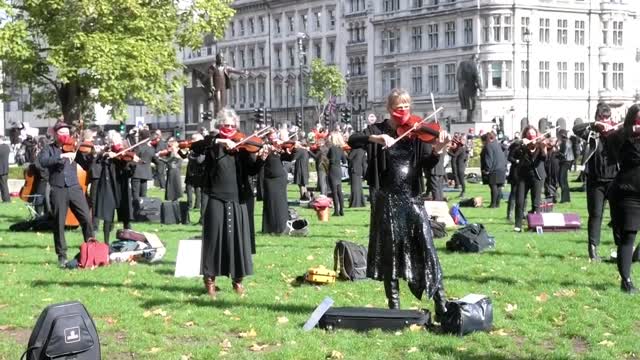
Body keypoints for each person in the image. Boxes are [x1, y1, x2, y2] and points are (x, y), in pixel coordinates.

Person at [347, 88, 449, 320]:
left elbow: (428, 164)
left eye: (406, 106)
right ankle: (395, 309)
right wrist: (376, 138)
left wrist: (439, 149)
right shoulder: (378, 129)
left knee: (427, 248)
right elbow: (352, 140)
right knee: (390, 253)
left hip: (412, 197)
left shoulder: (416, 131)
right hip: (387, 199)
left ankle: (441, 302)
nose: (403, 111)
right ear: (389, 108)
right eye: (398, 106)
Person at [190, 108, 266, 299]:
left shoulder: (243, 145)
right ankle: (210, 281)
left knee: (238, 240)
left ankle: (237, 280)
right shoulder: (212, 143)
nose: (230, 129)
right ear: (220, 126)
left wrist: (261, 160)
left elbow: (251, 170)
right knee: (213, 239)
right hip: (215, 196)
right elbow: (196, 146)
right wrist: (220, 141)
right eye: (226, 125)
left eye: (232, 126)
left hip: (238, 197)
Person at [38, 122, 94, 267]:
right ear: (56, 134)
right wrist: (61, 156)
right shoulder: (48, 149)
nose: (65, 136)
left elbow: (87, 165)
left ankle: (91, 249)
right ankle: (62, 255)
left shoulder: (74, 147)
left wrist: (90, 154)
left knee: (86, 219)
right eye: (62, 133)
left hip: (75, 187)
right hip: (58, 189)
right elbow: (42, 162)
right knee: (58, 223)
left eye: (67, 133)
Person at [573, 103, 619, 261]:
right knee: (596, 215)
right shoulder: (592, 133)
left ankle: (621, 248)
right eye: (602, 117)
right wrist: (594, 125)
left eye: (607, 117)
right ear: (597, 117)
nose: (605, 120)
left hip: (614, 180)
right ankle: (593, 250)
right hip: (595, 181)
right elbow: (576, 129)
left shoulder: (616, 133)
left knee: (617, 215)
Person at [604, 104, 640, 293]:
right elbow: (611, 141)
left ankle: (635, 256)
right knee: (628, 236)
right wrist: (629, 130)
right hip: (628, 193)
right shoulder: (623, 137)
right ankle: (626, 281)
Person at [94, 131, 139, 244]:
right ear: (109, 142)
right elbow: (96, 162)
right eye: (113, 141)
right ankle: (106, 243)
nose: (117, 144)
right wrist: (105, 155)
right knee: (107, 215)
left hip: (121, 184)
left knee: (125, 213)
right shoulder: (105, 152)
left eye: (118, 141)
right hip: (108, 185)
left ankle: (129, 240)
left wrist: (133, 163)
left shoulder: (123, 153)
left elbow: (129, 171)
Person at [512, 126, 547, 232]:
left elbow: (544, 158)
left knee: (536, 202)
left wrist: (543, 148)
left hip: (537, 176)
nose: (531, 136)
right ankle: (518, 225)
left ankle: (535, 225)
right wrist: (522, 145)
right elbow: (515, 154)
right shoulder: (522, 145)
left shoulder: (540, 144)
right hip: (523, 176)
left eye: (533, 134)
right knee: (520, 200)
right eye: (529, 134)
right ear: (525, 135)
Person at [261, 131, 290, 234]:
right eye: (271, 136)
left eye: (275, 135)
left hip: (280, 178)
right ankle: (270, 228)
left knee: (281, 202)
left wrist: (286, 150)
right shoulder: (264, 147)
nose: (274, 138)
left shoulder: (280, 147)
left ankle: (282, 226)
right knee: (270, 202)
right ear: (268, 137)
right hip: (269, 178)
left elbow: (289, 157)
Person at [480, 132, 507, 208]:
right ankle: (497, 204)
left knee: (493, 187)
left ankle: (493, 204)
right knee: (498, 187)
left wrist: (487, 169)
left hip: (494, 169)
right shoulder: (498, 145)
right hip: (501, 168)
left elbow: (489, 158)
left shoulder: (489, 146)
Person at [131, 129, 155, 203]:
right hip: (145, 174)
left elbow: (133, 158)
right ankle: (143, 210)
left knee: (135, 195)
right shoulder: (151, 149)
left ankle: (135, 211)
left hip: (136, 173)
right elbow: (155, 160)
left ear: (141, 136)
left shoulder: (138, 147)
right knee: (143, 195)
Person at [327, 132, 347, 216]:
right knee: (339, 191)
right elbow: (344, 161)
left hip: (332, 169)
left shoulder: (332, 148)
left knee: (334, 192)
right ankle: (342, 210)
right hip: (339, 170)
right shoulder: (341, 149)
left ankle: (336, 211)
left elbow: (328, 158)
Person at [183, 133, 206, 210]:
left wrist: (190, 156)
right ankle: (189, 205)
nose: (192, 141)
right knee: (188, 187)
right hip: (190, 171)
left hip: (198, 172)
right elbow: (183, 156)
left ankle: (197, 205)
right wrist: (182, 150)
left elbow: (199, 160)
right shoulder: (192, 148)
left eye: (194, 139)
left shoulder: (202, 149)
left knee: (197, 189)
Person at [448, 133, 467, 198]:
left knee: (462, 180)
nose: (458, 140)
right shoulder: (462, 147)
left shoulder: (461, 148)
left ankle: (463, 192)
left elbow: (455, 155)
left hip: (460, 166)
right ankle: (462, 192)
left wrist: (447, 151)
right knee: (461, 179)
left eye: (460, 139)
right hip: (461, 165)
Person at [348, 142, 367, 208]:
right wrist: (365, 174)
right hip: (359, 170)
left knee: (354, 187)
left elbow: (349, 158)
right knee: (359, 187)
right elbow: (364, 163)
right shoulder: (363, 151)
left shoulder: (355, 150)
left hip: (354, 169)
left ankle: (355, 203)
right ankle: (361, 202)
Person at [557, 130, 574, 203]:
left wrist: (556, 152)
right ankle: (566, 198)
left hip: (565, 161)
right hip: (567, 161)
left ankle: (565, 198)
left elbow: (564, 154)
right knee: (563, 179)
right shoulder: (567, 141)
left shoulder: (565, 141)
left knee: (562, 179)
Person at [0, 137, 10, 202]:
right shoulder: (7, 147)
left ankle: (6, 199)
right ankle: (6, 199)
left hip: (1, 169)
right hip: (5, 169)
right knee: (4, 185)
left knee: (3, 185)